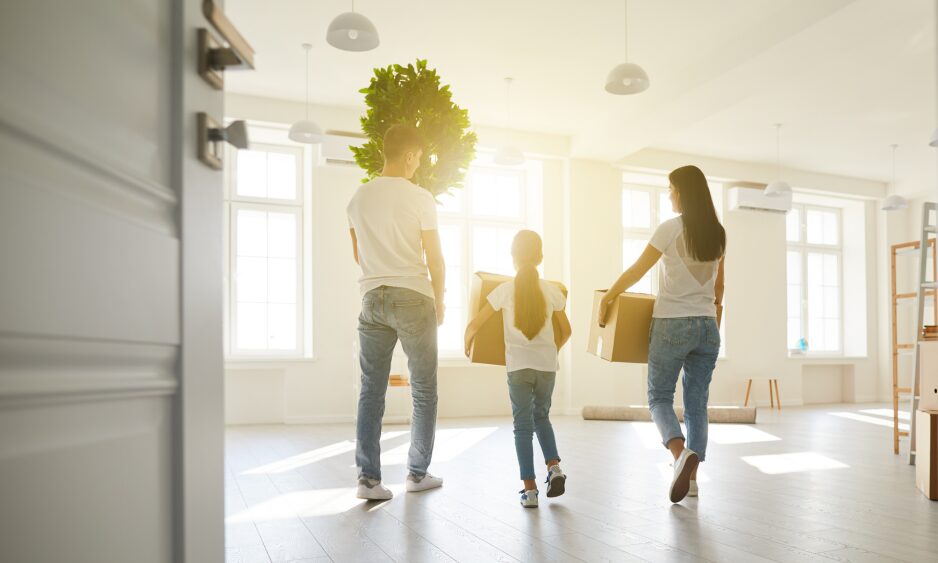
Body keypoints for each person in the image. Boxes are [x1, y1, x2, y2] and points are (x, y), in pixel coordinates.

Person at [599, 165, 726, 503]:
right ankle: (693, 480)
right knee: (697, 403)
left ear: (683, 191)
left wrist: (609, 296)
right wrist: (713, 323)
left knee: (658, 397)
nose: (669, 194)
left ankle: (678, 453)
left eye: (671, 188)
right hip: (707, 325)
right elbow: (719, 287)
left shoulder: (670, 229)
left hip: (672, 323)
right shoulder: (718, 232)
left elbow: (638, 270)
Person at [347, 124, 446, 500]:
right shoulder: (420, 197)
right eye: (418, 157)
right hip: (413, 296)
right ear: (408, 155)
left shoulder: (357, 199)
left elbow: (358, 255)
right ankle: (417, 474)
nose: (418, 164)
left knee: (370, 390)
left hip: (371, 298)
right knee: (423, 389)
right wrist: (441, 299)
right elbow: (435, 257)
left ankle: (368, 480)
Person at [464, 230, 572, 508]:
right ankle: (554, 467)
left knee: (522, 428)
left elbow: (476, 323)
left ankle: (531, 490)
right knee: (542, 417)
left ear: (513, 257)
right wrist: (552, 351)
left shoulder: (503, 290)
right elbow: (567, 330)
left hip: (518, 367)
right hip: (546, 367)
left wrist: (467, 340)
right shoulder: (552, 290)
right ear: (540, 257)